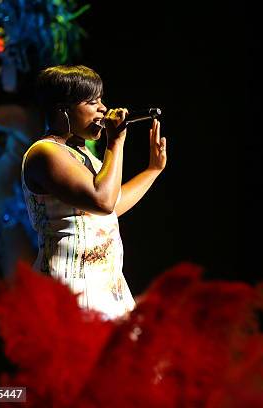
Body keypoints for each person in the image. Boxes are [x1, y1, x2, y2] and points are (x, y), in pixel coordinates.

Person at [21, 65, 167, 320]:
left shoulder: (86, 156)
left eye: (101, 101)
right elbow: (103, 200)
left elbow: (111, 207)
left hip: (105, 285)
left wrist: (152, 170)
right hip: (71, 287)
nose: (103, 109)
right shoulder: (44, 153)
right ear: (63, 110)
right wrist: (115, 142)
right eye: (92, 102)